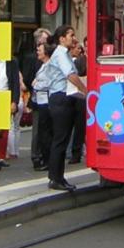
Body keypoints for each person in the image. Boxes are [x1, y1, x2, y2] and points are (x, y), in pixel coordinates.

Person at [45, 25, 87, 191]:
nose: (74, 38)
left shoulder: (65, 54)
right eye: (71, 35)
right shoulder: (61, 54)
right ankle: (55, 178)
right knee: (61, 139)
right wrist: (85, 90)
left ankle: (58, 177)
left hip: (65, 97)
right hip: (61, 98)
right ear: (62, 39)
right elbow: (70, 75)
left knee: (62, 139)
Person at [30, 42, 53, 171]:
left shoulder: (50, 66)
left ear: (46, 52)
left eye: (40, 50)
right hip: (40, 101)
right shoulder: (43, 65)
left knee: (46, 132)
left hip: (46, 102)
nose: (37, 52)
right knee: (42, 131)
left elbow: (49, 83)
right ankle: (45, 158)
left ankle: (47, 160)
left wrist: (36, 84)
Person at [67, 38, 86, 164]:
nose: (79, 50)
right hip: (74, 94)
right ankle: (73, 152)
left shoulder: (79, 60)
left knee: (78, 126)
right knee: (74, 126)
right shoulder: (74, 61)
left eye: (80, 48)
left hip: (77, 95)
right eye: (77, 48)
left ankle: (75, 152)